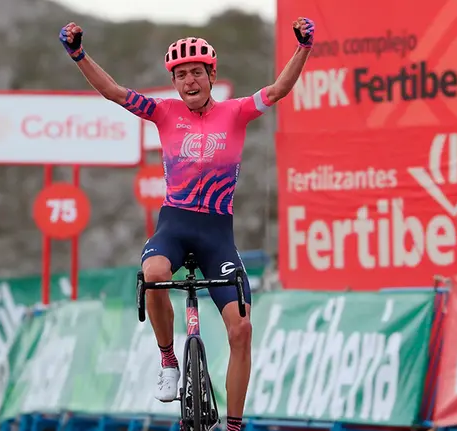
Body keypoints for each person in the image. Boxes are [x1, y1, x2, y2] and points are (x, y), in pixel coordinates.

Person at [59, 16, 315, 430]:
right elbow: (112, 92)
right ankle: (167, 359)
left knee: (242, 330)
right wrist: (78, 54)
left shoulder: (236, 112)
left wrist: (303, 48)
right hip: (174, 226)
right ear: (174, 81)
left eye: (196, 72)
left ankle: (233, 425)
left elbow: (280, 89)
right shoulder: (163, 112)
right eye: (181, 75)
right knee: (153, 273)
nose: (189, 81)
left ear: (211, 75)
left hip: (217, 234)